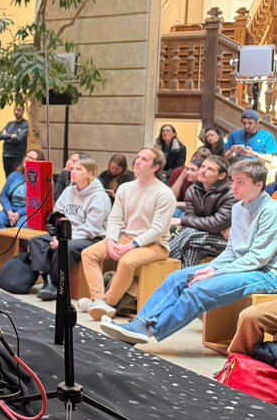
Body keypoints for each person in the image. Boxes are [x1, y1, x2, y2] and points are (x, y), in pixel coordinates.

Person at [101, 160, 277, 346]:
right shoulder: (238, 207)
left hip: (265, 272)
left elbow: (258, 258)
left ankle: (148, 331)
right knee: (176, 277)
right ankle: (139, 323)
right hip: (239, 265)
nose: (234, 186)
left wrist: (215, 272)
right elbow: (232, 250)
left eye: (241, 181)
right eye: (233, 181)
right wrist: (213, 266)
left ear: (259, 184)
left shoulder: (271, 210)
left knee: (197, 290)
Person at [78, 147, 176, 321]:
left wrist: (131, 245)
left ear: (155, 167)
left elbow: (158, 229)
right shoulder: (125, 188)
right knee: (89, 254)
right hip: (126, 236)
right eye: (138, 157)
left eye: (144, 159)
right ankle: (98, 299)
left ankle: (109, 302)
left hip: (155, 244)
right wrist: (110, 240)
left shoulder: (164, 193)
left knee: (126, 261)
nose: (137, 161)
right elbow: (114, 218)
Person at [30, 156, 110, 300]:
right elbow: (58, 213)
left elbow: (91, 229)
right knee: (37, 241)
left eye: (79, 169)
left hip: (90, 238)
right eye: (73, 168)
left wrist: (62, 240)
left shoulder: (99, 197)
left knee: (65, 248)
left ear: (90, 174)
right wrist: (57, 235)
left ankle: (56, 284)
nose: (73, 172)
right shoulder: (69, 191)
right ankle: (47, 280)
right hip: (66, 234)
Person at [168, 155, 234, 269]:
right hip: (200, 238)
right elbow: (191, 219)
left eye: (210, 169)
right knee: (192, 246)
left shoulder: (231, 193)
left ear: (221, 175)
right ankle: (187, 280)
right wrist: (202, 224)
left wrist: (183, 221)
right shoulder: (192, 190)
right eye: (203, 167)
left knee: (189, 234)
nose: (203, 171)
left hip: (227, 242)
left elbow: (216, 224)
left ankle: (165, 254)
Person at [0, 149, 44, 230]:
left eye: (31, 158)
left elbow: (36, 203)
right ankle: (8, 241)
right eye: (26, 156)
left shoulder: (39, 180)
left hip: (27, 213)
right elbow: (3, 195)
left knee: (21, 227)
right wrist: (9, 211)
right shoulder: (14, 175)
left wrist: (18, 213)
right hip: (9, 211)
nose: (27, 159)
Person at [0, 105, 29, 176]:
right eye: (15, 110)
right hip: (6, 155)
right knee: (8, 177)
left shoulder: (25, 124)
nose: (16, 112)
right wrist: (11, 135)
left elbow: (19, 139)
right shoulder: (9, 124)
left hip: (17, 156)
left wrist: (6, 136)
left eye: (18, 110)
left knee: (15, 176)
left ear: (23, 111)